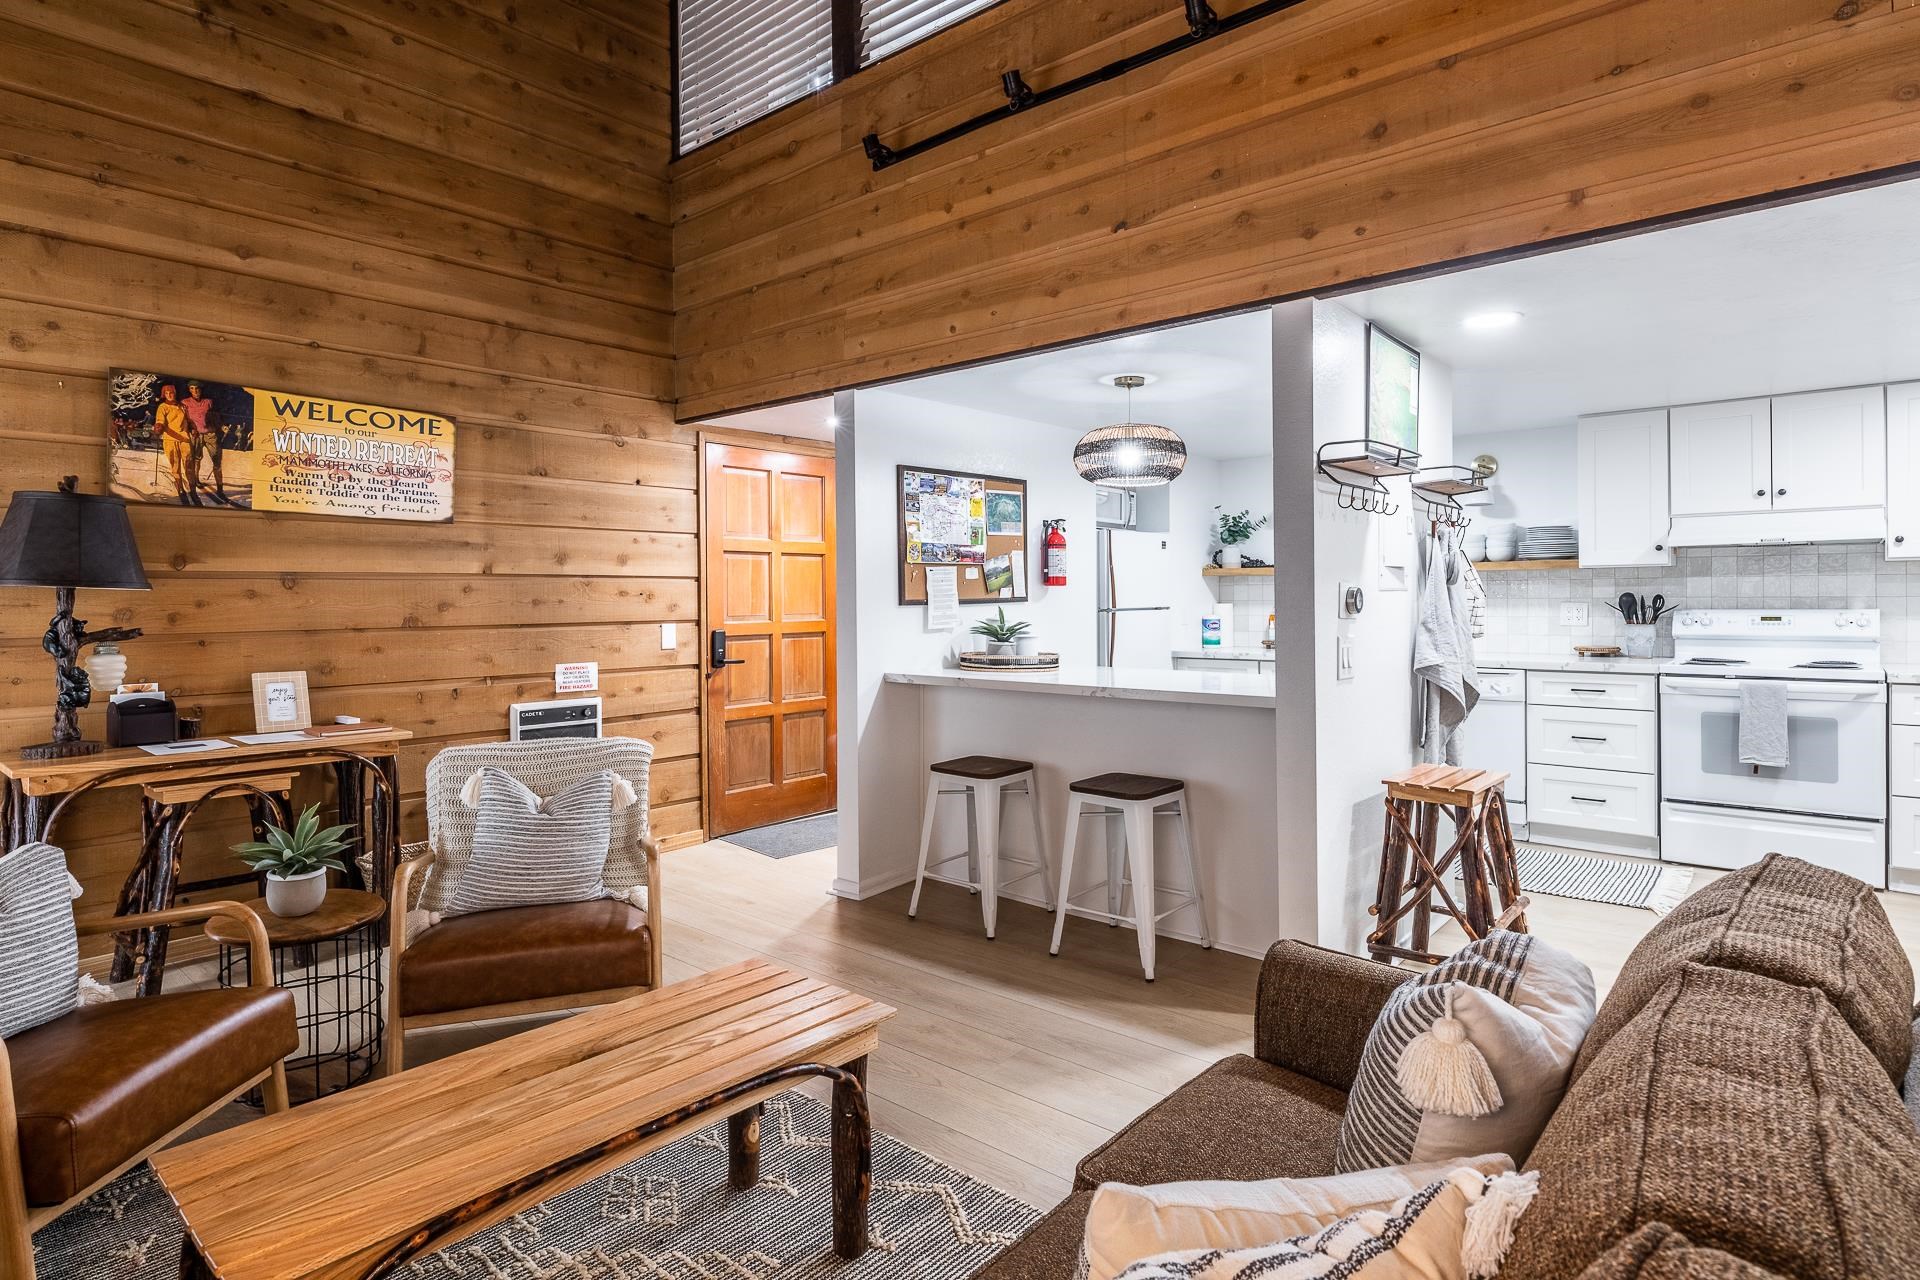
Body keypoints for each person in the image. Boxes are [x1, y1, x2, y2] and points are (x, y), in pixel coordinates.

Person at [181, 379, 227, 505]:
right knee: (196, 459)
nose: (195, 391)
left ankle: (220, 489)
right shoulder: (185, 403)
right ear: (189, 390)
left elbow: (216, 417)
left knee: (217, 461)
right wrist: (190, 429)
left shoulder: (208, 402)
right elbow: (184, 419)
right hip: (195, 435)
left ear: (201, 389)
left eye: (197, 388)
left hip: (210, 434)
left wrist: (222, 426)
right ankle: (195, 479)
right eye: (192, 389)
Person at [153, 383, 194, 505]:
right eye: (167, 393)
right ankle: (181, 490)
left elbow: (188, 420)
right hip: (170, 440)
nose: (170, 395)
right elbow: (160, 420)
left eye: (171, 392)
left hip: (185, 439)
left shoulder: (182, 406)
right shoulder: (162, 407)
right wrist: (159, 426)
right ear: (164, 394)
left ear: (175, 393)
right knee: (175, 467)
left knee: (189, 466)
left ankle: (193, 491)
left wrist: (193, 428)